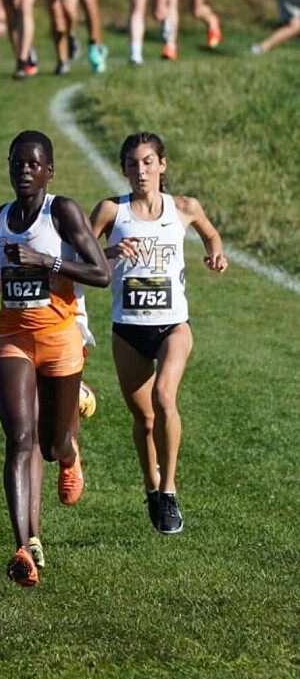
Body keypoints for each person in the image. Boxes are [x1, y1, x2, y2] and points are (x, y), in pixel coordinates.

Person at [0, 131, 109, 586]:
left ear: (49, 171)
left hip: (60, 337)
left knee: (49, 445)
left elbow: (101, 273)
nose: (24, 170)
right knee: (20, 438)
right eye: (17, 163)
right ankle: (24, 546)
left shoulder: (61, 212)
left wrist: (48, 261)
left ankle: (69, 453)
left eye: (33, 164)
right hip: (14, 337)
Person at [90, 132, 228, 534]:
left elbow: (210, 233)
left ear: (162, 165)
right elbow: (75, 255)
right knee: (145, 420)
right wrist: (110, 252)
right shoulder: (111, 211)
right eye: (132, 163)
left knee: (164, 397)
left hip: (173, 326)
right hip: (128, 329)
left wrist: (216, 253)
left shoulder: (184, 207)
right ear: (123, 169)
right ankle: (151, 487)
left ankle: (168, 489)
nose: (141, 171)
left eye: (148, 162)